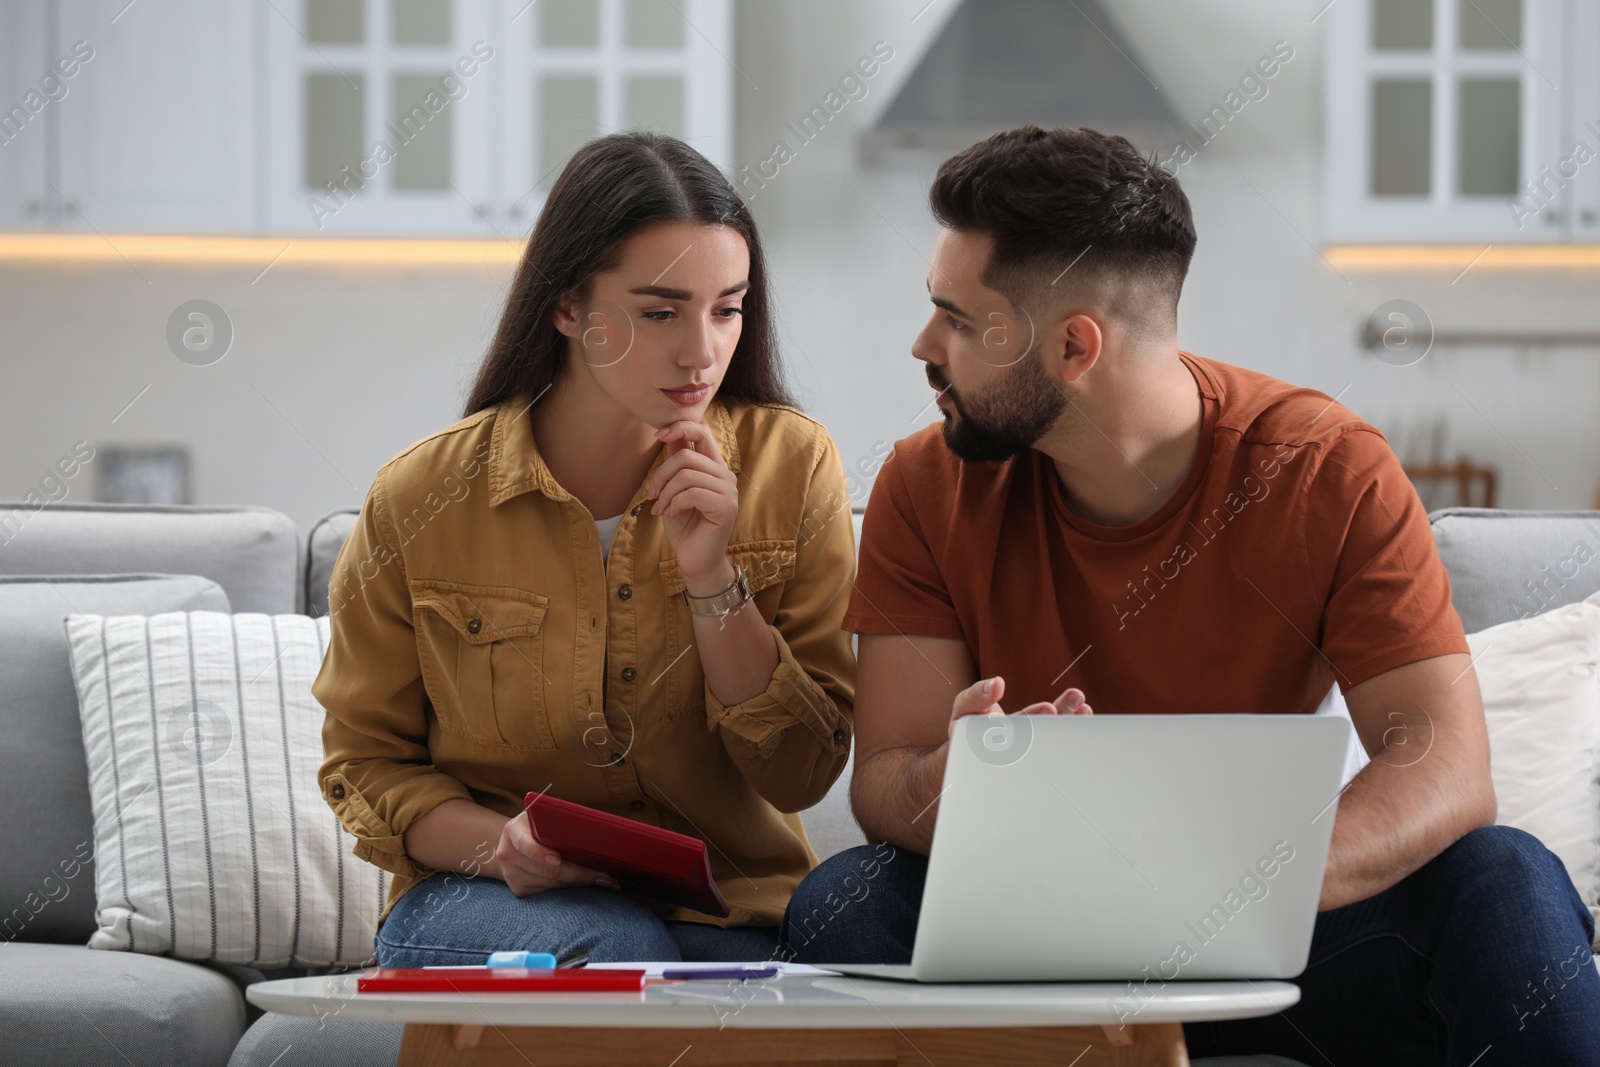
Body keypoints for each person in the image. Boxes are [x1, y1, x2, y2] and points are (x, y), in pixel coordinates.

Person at [779, 125, 1600, 1064]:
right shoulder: (925, 485)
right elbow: (885, 777)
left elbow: (1445, 767)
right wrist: (950, 779)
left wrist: (1236, 890)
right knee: (841, 904)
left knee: (1510, 882)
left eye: (960, 322)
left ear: (1075, 347)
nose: (923, 344)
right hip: (1025, 932)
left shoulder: (1328, 469)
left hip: (1276, 940)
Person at [315, 131, 856, 967]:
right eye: (660, 311)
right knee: (613, 944)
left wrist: (713, 575)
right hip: (484, 899)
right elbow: (366, 762)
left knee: (764, 940)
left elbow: (801, 773)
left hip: (730, 910)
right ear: (567, 307)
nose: (703, 350)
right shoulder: (418, 499)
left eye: (727, 308)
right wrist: (502, 847)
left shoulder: (793, 465)